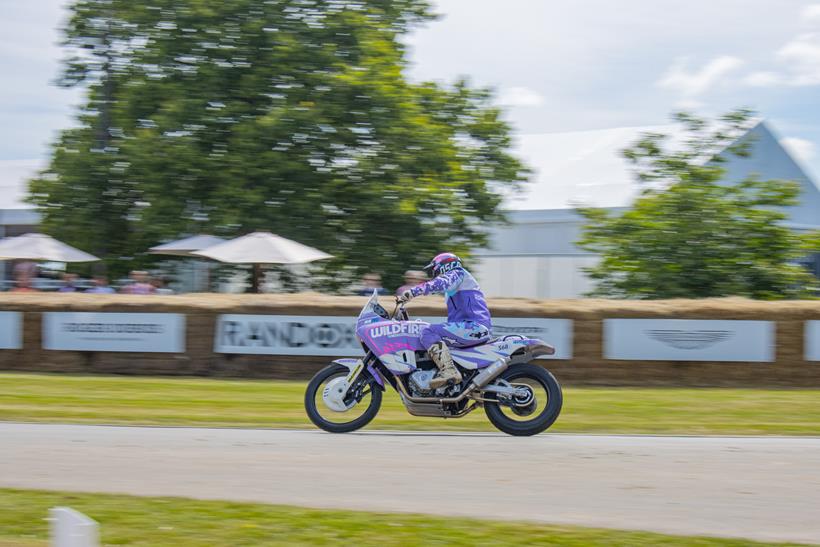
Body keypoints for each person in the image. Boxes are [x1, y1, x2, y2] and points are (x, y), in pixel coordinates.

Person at [398, 253, 492, 389]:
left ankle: (449, 372)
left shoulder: (458, 273)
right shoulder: (456, 285)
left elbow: (441, 282)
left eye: (434, 269)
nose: (434, 273)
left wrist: (414, 291)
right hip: (470, 327)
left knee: (428, 332)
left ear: (444, 266)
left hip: (474, 326)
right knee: (426, 330)